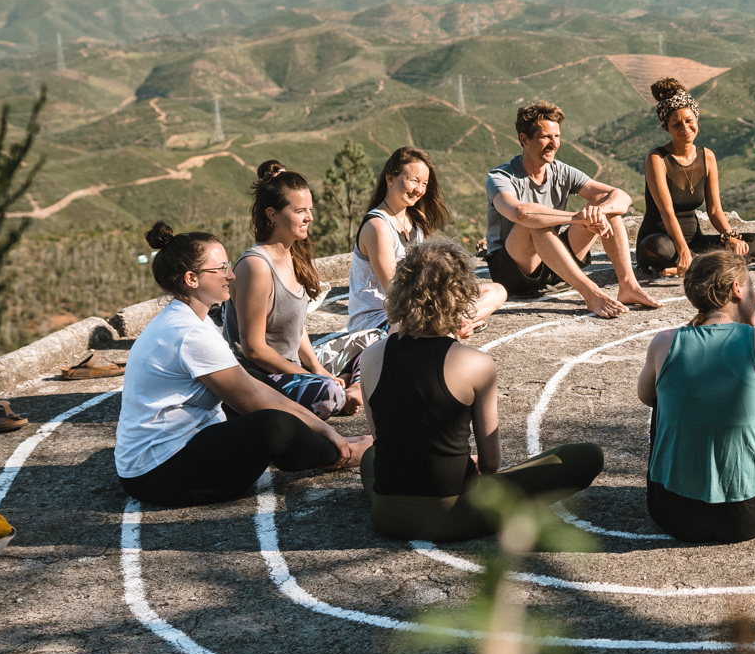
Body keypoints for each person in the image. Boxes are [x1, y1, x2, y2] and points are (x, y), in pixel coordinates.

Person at [357, 240, 605, 543]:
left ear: (399, 290)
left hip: (387, 515)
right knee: (585, 456)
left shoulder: (371, 357)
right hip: (453, 514)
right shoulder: (475, 363)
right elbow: (490, 464)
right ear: (460, 297)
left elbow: (382, 442)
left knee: (370, 455)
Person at [117, 223, 369, 506]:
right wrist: (329, 435)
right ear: (191, 279)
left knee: (254, 383)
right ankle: (344, 455)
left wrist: (324, 430)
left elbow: (255, 387)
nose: (231, 275)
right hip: (161, 474)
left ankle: (338, 446)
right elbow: (254, 402)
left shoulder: (189, 319)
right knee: (272, 425)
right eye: (221, 268)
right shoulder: (190, 333)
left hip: (167, 457)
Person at [637, 250, 755, 544]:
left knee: (664, 393)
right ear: (737, 289)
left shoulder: (664, 342)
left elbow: (646, 397)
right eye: (752, 287)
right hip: (748, 516)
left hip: (671, 513)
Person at [485, 99, 658, 317]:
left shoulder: (562, 171)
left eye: (556, 136)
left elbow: (622, 197)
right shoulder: (500, 177)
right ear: (524, 139)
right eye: (546, 137)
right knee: (533, 223)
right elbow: (520, 212)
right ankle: (592, 294)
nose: (554, 143)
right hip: (513, 271)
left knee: (605, 207)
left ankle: (629, 287)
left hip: (553, 262)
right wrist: (578, 218)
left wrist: (599, 211)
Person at [223, 161, 357, 417]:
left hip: (294, 367)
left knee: (376, 340)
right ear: (272, 214)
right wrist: (310, 377)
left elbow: (296, 326)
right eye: (300, 211)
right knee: (328, 393)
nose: (310, 217)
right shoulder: (256, 266)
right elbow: (253, 349)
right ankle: (345, 391)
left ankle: (351, 389)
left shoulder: (292, 254)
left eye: (310, 209)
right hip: (259, 379)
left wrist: (318, 368)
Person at [349, 146, 508, 335]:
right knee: (429, 333)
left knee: (497, 291)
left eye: (424, 183)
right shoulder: (377, 226)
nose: (419, 190)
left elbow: (429, 272)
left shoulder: (417, 220)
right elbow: (395, 292)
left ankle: (458, 323)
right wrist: (440, 312)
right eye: (413, 181)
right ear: (390, 178)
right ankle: (455, 327)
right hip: (382, 319)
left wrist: (447, 301)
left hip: (416, 306)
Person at [635, 77, 755, 276]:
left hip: (695, 241)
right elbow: (666, 213)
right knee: (654, 246)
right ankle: (700, 262)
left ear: (697, 119)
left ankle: (694, 264)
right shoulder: (657, 159)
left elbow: (715, 210)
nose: (685, 129)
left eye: (689, 121)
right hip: (664, 240)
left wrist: (730, 237)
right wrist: (682, 251)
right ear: (667, 127)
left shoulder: (707, 156)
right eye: (677, 124)